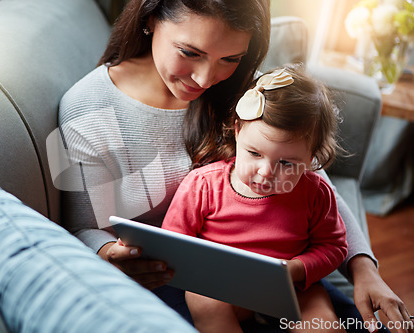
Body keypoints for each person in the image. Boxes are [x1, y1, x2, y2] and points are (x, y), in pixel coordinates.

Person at [58, 0, 412, 332]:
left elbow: (315, 182)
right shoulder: (83, 108)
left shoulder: (249, 89)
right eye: (190, 52)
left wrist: (364, 268)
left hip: (279, 275)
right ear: (151, 18)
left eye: (230, 58)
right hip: (177, 281)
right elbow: (81, 226)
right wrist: (108, 253)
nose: (205, 78)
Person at [161, 66, 348, 332]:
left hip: (290, 287)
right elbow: (172, 242)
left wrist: (296, 269)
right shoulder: (204, 185)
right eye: (254, 153)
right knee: (204, 300)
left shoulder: (315, 193)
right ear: (237, 131)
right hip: (220, 285)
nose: (266, 172)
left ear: (312, 157)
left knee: (324, 325)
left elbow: (334, 247)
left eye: (286, 162)